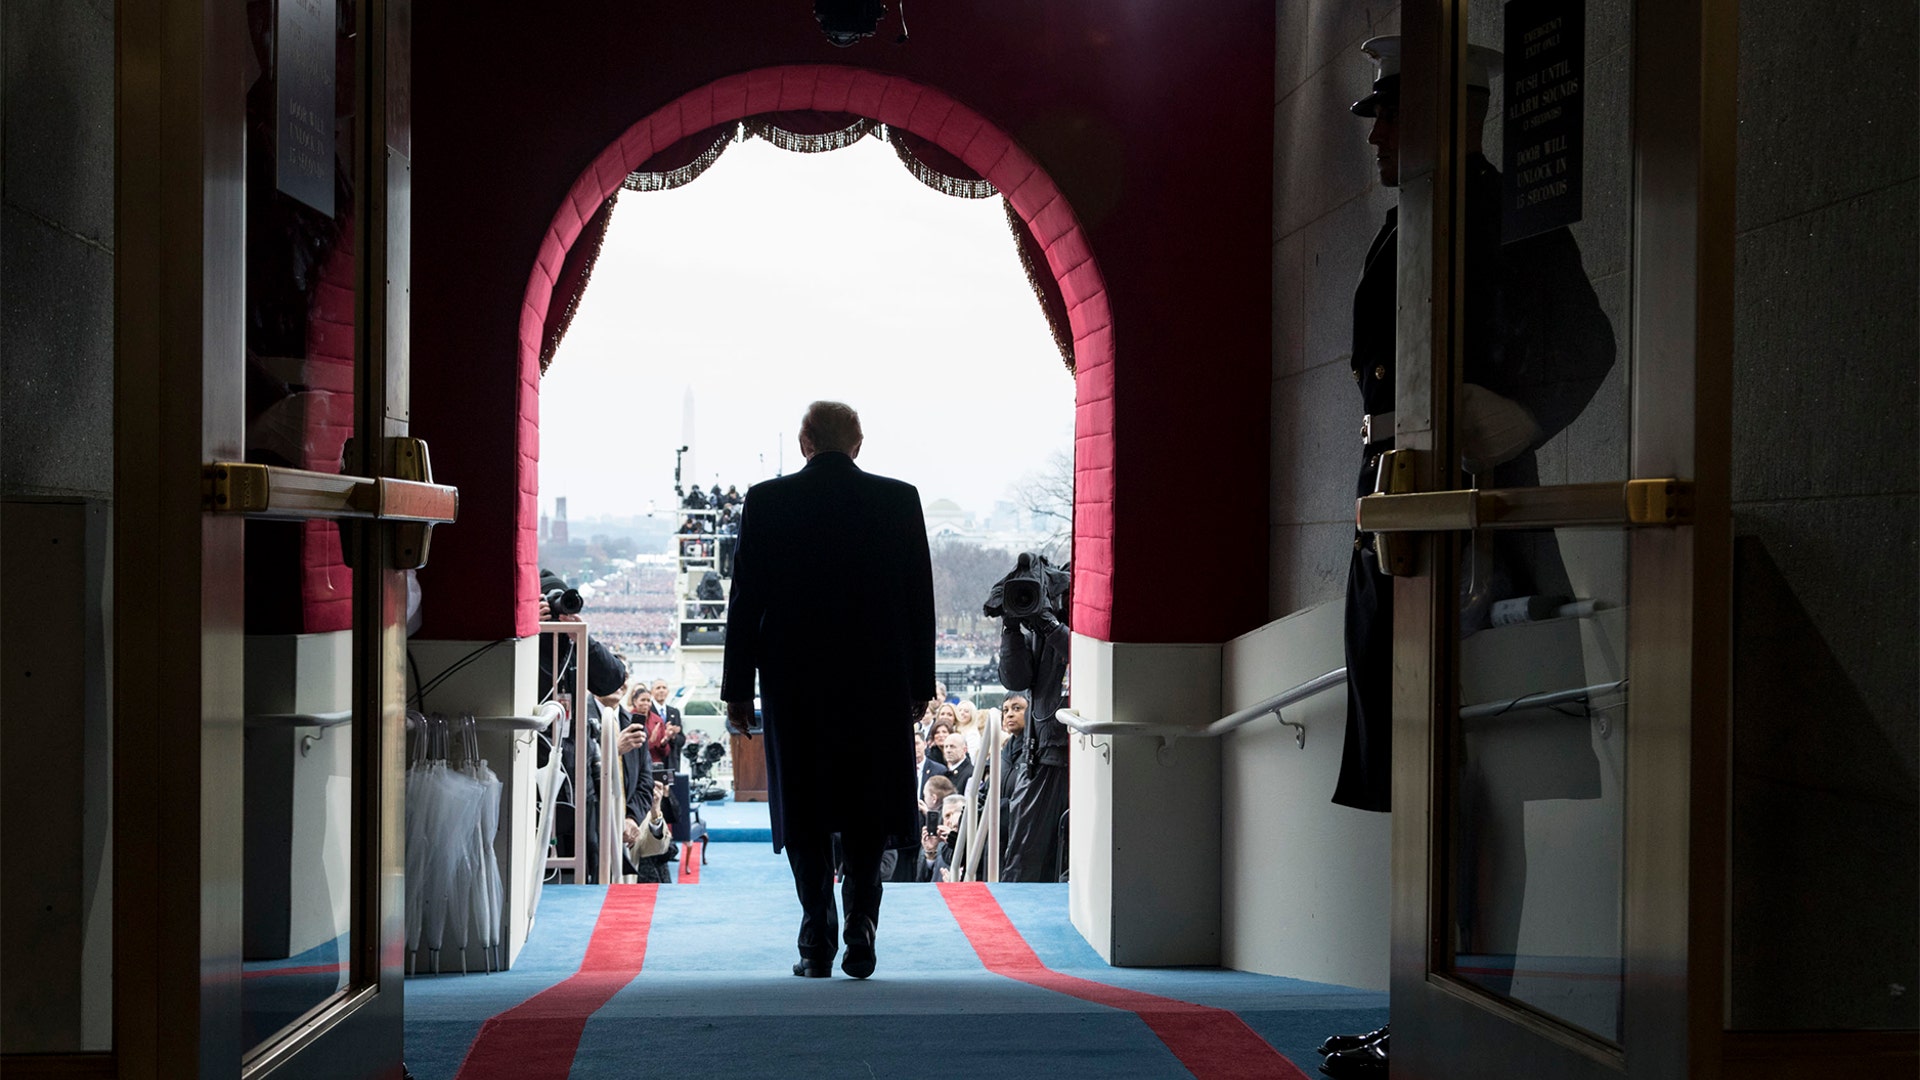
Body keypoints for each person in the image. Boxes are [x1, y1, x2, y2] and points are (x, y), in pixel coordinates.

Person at [722, 400, 935, 980]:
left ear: (804, 443)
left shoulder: (767, 501)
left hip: (795, 682)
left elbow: (746, 604)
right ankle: (862, 926)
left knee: (806, 806)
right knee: (869, 805)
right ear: (859, 445)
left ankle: (817, 932)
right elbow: (920, 602)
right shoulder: (899, 500)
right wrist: (920, 684)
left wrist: (737, 689)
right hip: (877, 682)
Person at [998, 566, 1072, 883]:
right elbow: (1016, 679)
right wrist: (1011, 629)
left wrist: (1050, 626)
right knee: (1022, 858)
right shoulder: (1044, 626)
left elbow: (1088, 656)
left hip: (1067, 750)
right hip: (1041, 753)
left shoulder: (1073, 624)